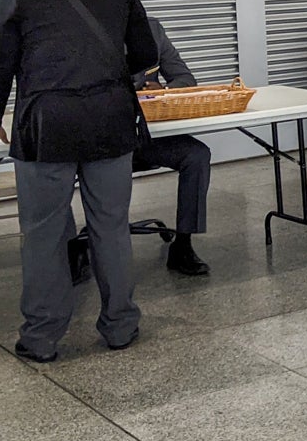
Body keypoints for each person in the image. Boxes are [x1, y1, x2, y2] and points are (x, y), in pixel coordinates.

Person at [0, 0, 158, 363]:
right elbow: (144, 57)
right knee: (110, 226)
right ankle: (120, 326)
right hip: (111, 123)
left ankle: (40, 338)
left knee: (43, 232)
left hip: (46, 126)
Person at [68, 18, 212, 279]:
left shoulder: (152, 29)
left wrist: (164, 90)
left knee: (197, 154)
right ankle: (72, 248)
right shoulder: (83, 33)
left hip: (143, 139)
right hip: (101, 142)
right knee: (55, 163)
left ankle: (183, 245)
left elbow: (186, 79)